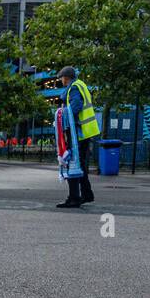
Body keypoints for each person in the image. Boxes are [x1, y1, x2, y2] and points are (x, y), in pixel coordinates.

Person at [55, 66, 99, 208]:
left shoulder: (74, 87)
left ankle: (74, 198)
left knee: (73, 164)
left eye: (61, 78)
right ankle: (86, 194)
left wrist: (63, 119)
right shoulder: (81, 84)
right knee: (80, 165)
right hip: (85, 131)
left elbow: (75, 107)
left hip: (77, 133)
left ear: (66, 77)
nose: (61, 80)